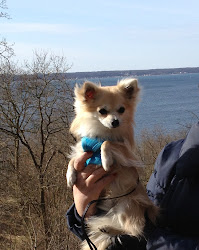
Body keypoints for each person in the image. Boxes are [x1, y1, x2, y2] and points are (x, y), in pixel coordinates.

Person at [66, 122, 199, 249]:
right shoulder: (171, 156)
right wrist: (88, 210)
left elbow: (144, 231)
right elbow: (140, 215)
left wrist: (146, 238)